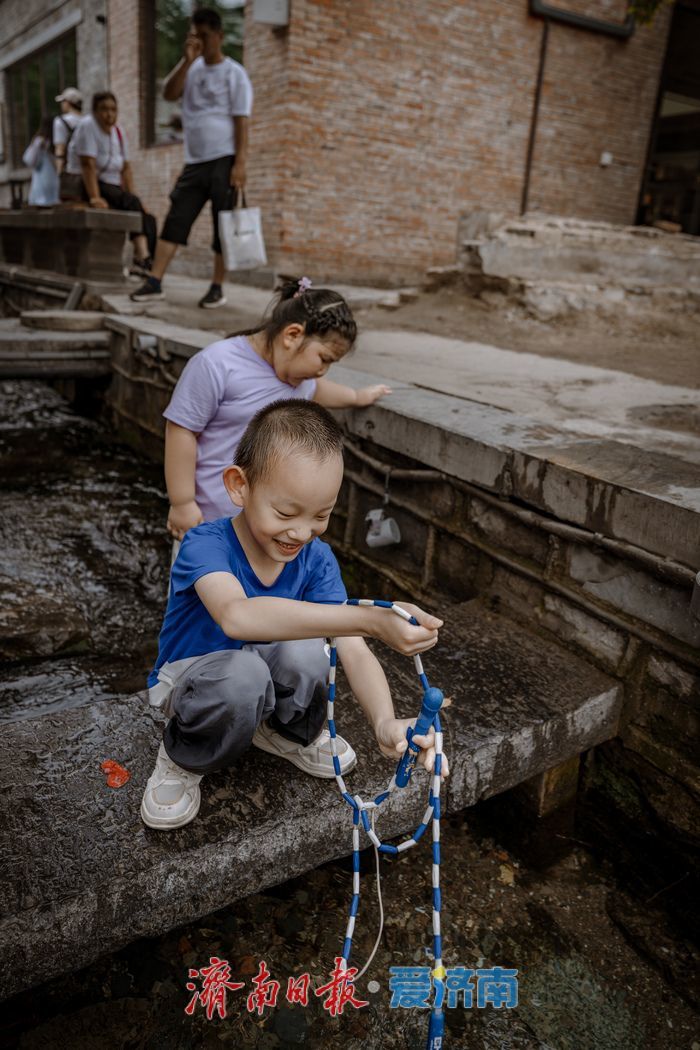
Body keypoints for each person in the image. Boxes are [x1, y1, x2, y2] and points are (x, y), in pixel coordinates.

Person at [141, 398, 448, 830]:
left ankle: (287, 732)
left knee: (311, 652)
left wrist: (383, 722)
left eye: (321, 515)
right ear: (238, 486)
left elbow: (352, 649)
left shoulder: (316, 558)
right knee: (245, 674)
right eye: (285, 513)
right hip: (198, 680)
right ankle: (184, 756)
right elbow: (238, 617)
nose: (301, 533)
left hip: (258, 674)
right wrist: (370, 619)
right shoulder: (204, 545)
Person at [163, 277, 391, 542]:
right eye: (324, 359)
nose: (322, 371)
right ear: (292, 335)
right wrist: (182, 502)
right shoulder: (218, 364)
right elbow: (182, 430)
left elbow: (320, 390)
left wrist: (357, 396)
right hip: (209, 521)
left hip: (272, 529)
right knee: (204, 583)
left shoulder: (300, 380)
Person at [130, 6, 253, 308]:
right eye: (194, 35)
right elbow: (169, 94)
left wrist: (240, 163)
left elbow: (242, 121)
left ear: (219, 36)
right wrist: (186, 61)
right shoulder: (192, 68)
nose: (199, 41)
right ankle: (155, 280)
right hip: (195, 161)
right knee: (176, 217)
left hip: (224, 159)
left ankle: (217, 287)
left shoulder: (235, 73)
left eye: (205, 36)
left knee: (222, 225)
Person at [63, 91, 156, 276]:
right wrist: (95, 197)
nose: (109, 114)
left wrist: (135, 197)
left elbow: (126, 169)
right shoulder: (88, 126)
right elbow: (87, 165)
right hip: (85, 185)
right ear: (95, 111)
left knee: (147, 216)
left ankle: (144, 258)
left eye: (113, 109)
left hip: (110, 186)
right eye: (104, 109)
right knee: (131, 203)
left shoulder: (118, 132)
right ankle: (143, 258)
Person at [22, 116, 59, 206]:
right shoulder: (56, 140)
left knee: (41, 202)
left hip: (41, 176)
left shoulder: (39, 140)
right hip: (53, 176)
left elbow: (28, 159)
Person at [52, 87, 82, 176]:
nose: (61, 105)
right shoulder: (87, 121)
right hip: (88, 170)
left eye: (63, 102)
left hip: (71, 171)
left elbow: (60, 149)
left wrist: (59, 172)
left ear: (68, 102)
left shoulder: (60, 121)